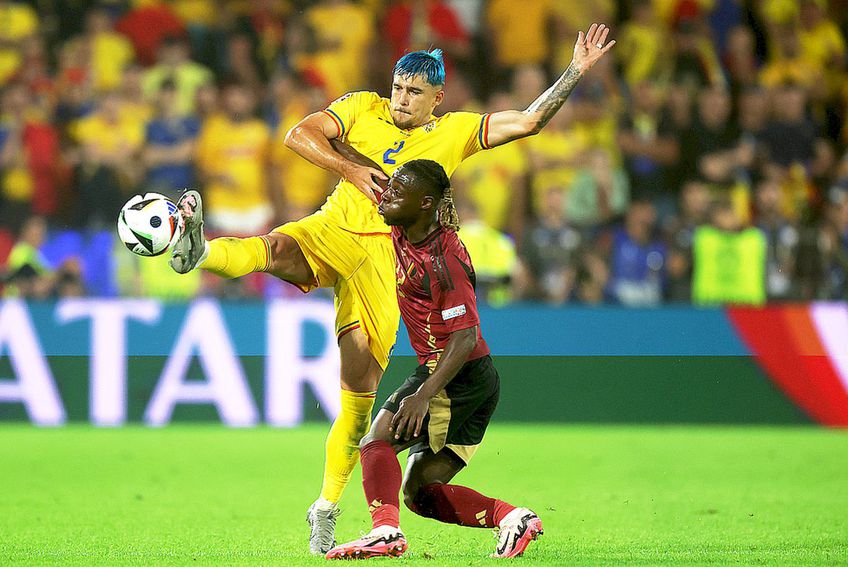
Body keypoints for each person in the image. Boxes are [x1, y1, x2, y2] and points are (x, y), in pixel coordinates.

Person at [169, 23, 614, 554]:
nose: (401, 99)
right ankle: (198, 250)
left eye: (414, 92)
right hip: (332, 227)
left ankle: (327, 506)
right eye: (398, 87)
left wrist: (574, 71)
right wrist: (350, 170)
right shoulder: (361, 107)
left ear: (437, 99)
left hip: (384, 260)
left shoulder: (454, 133)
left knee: (358, 397)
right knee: (274, 249)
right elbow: (298, 135)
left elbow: (530, 120)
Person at [326, 159, 542, 560]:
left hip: (456, 373)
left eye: (397, 189)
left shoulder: (444, 258)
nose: (387, 194)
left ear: (425, 203)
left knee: (377, 441)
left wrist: (424, 394)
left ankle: (385, 532)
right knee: (420, 493)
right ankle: (514, 519)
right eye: (389, 187)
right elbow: (363, 170)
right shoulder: (402, 220)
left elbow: (465, 336)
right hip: (469, 377)